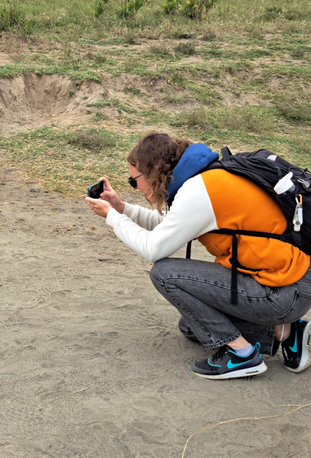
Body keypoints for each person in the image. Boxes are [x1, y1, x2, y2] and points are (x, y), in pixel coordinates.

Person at [85, 131, 311, 380]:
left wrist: (112, 218)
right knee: (192, 327)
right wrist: (121, 208)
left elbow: (154, 248)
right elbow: (171, 225)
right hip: (289, 282)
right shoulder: (206, 179)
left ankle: (241, 355)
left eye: (134, 180)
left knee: (164, 274)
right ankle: (286, 332)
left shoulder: (199, 192)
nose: (135, 187)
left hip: (284, 292)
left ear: (152, 172)